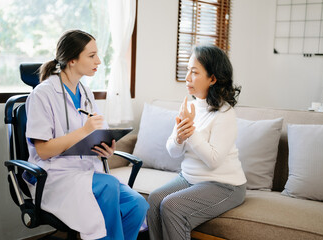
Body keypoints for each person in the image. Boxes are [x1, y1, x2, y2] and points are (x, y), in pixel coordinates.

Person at [24, 29, 148, 240]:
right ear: (72, 60)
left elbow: (98, 133)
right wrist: (85, 130)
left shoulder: (86, 93)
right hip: (55, 176)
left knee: (138, 204)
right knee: (109, 186)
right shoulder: (42, 94)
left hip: (86, 173)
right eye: (91, 56)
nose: (98, 60)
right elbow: (43, 151)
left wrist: (107, 149)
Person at [147, 45, 247, 240]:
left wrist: (190, 132)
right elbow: (173, 151)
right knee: (154, 200)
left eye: (194, 72)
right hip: (189, 178)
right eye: (187, 71)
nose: (187, 78)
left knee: (172, 206)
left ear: (213, 78)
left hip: (225, 185)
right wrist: (178, 138)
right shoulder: (190, 106)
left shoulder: (225, 113)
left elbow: (213, 160)